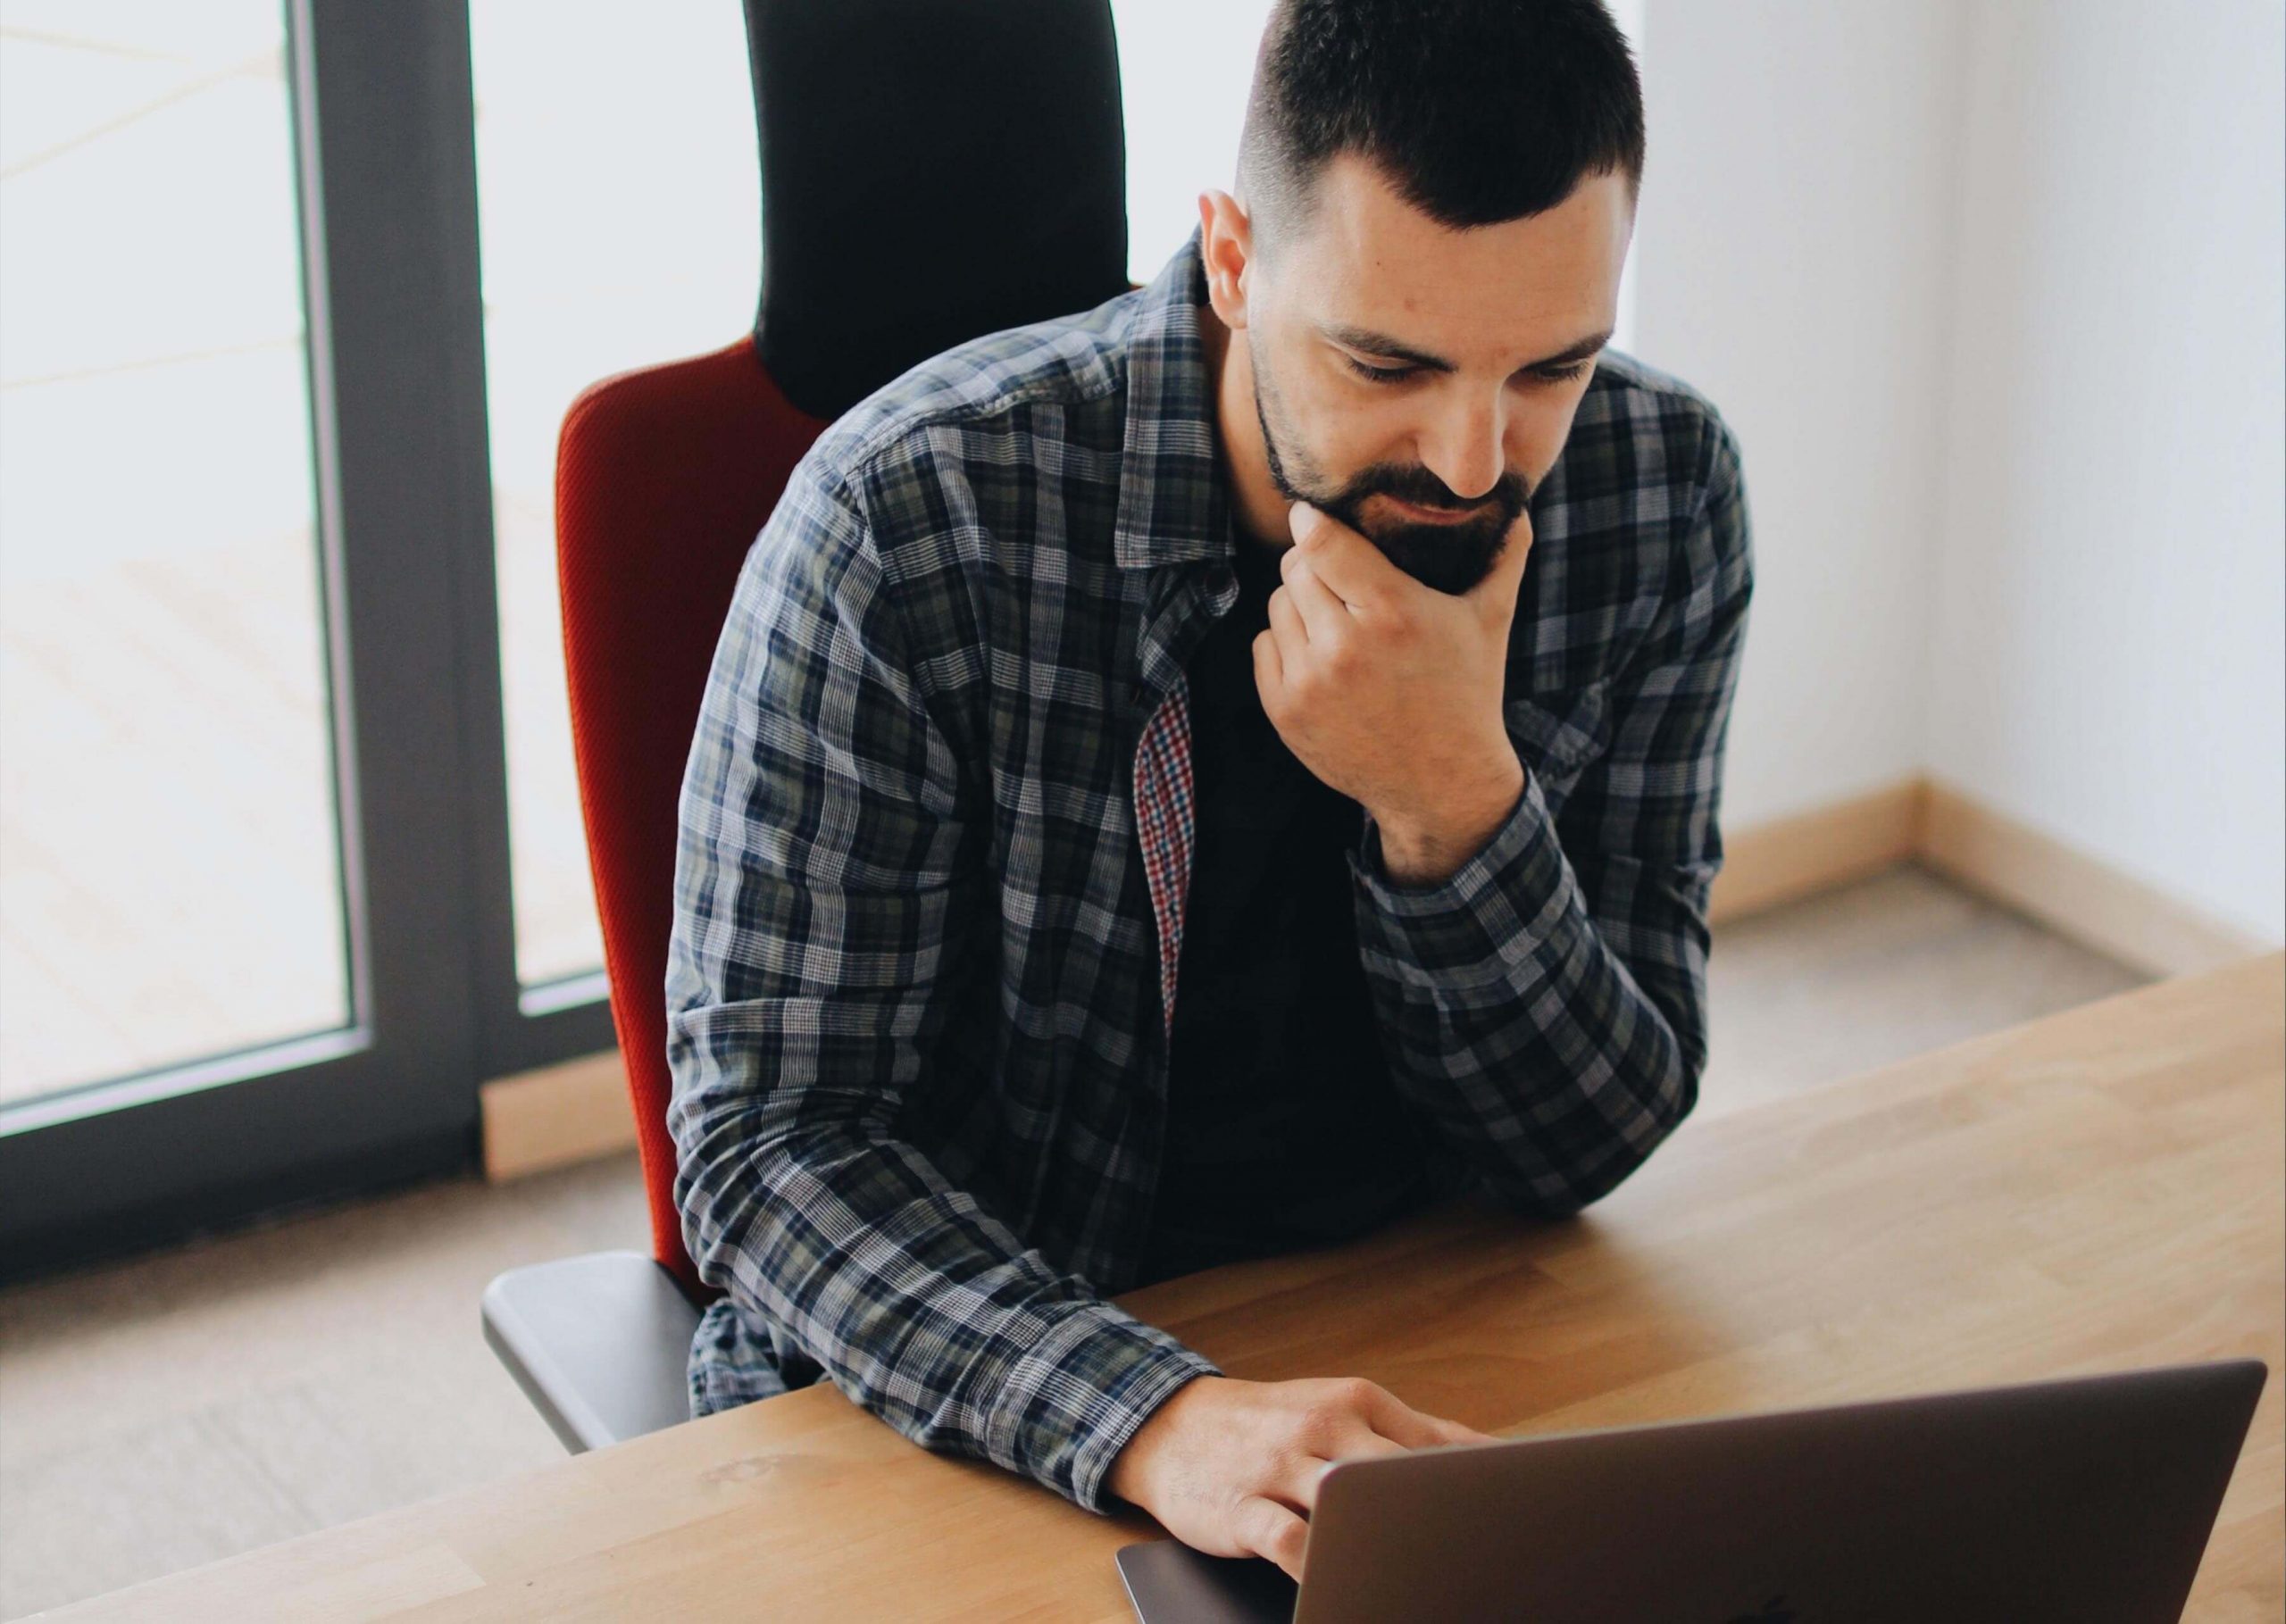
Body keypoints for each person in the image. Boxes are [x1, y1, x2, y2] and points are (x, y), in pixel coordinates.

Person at [664, 0, 1752, 1585]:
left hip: (1421, 1358)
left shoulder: (1661, 492)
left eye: (1550, 368)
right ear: (1236, 261)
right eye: (1390, 361)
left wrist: (1456, 802)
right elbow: (768, 1155)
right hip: (984, 1394)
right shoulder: (908, 526)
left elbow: (1588, 1146)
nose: (1470, 460)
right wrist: (1158, 1418)